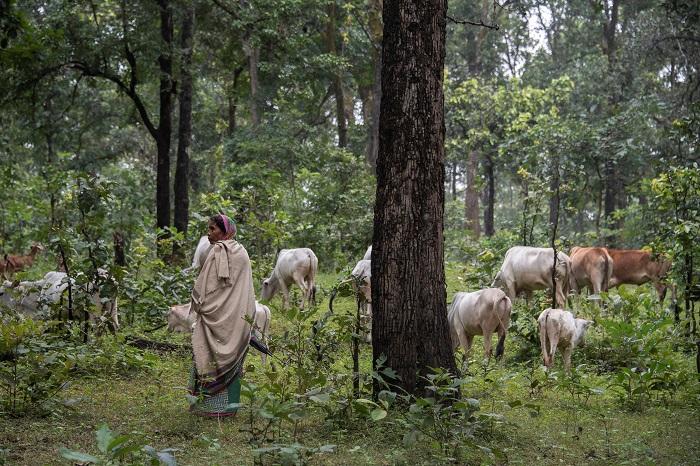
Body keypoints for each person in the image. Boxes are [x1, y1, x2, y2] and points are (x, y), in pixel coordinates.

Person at [188, 214, 256, 417]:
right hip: (237, 320)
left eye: (212, 229)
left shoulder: (216, 251)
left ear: (224, 231)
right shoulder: (242, 252)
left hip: (213, 318)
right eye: (208, 229)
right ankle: (229, 408)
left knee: (207, 355)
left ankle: (207, 408)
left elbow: (203, 290)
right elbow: (245, 290)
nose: (209, 234)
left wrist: (202, 308)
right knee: (233, 358)